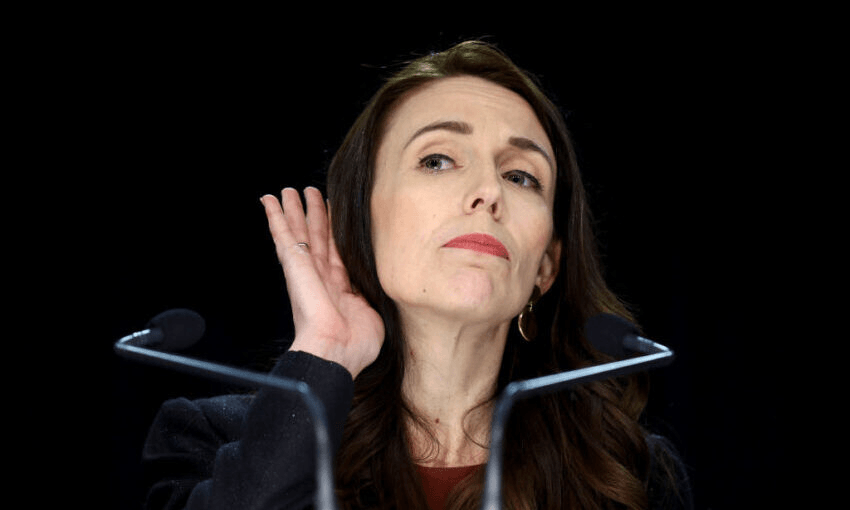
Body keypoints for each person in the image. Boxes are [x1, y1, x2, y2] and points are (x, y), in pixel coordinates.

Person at [142, 40, 693, 510]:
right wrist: (326, 352)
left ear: (546, 266)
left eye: (521, 176)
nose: (489, 192)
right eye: (437, 160)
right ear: (362, 221)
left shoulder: (629, 475)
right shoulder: (210, 439)